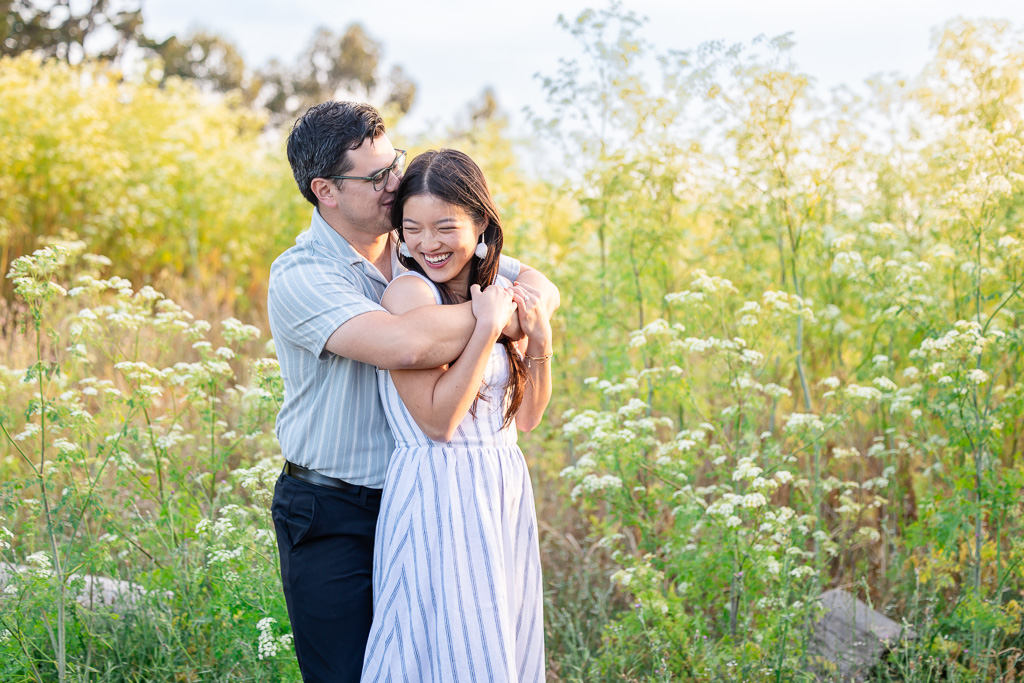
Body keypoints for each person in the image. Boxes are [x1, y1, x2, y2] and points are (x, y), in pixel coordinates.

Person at [267, 102, 558, 683]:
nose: (394, 184)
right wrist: (497, 318)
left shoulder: (414, 241)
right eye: (375, 177)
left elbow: (534, 284)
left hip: (427, 500)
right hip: (334, 510)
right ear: (325, 190)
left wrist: (527, 312)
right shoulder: (302, 275)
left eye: (393, 164)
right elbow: (406, 345)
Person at [360, 149, 553, 682]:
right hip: (438, 489)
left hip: (500, 484)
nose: (428, 244)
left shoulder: (498, 289)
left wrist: (540, 336)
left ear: (481, 223)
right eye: (412, 229)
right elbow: (438, 422)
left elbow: (529, 418)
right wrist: (487, 328)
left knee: (495, 644)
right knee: (439, 649)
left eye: (445, 226)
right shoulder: (409, 292)